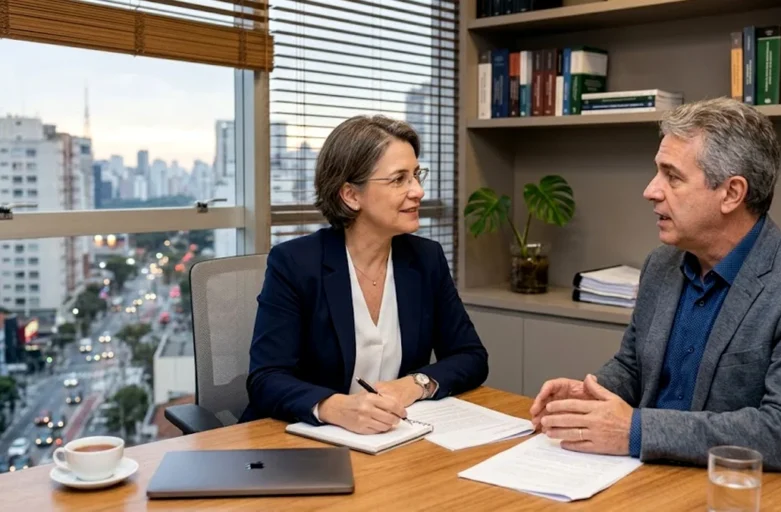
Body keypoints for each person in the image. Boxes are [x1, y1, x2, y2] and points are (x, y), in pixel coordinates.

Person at [530, 97, 781, 470]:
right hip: (637, 475)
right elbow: (633, 366)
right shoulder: (661, 265)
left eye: (672, 176)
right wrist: (591, 392)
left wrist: (636, 430)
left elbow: (774, 430)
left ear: (731, 193)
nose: (651, 190)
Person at [241, 115, 488, 434]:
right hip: (303, 444)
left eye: (416, 175)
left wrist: (415, 384)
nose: (418, 191)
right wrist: (333, 406)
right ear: (351, 195)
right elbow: (266, 378)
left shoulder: (426, 259)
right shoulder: (295, 263)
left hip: (392, 440)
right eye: (399, 179)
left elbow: (471, 357)